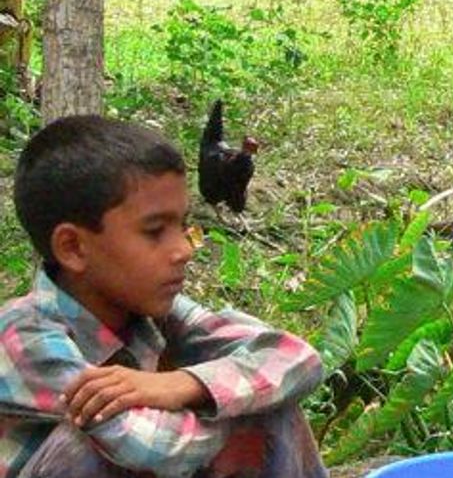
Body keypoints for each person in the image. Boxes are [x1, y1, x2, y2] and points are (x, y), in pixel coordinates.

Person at [0, 115, 328, 478]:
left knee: (274, 403)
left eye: (183, 226)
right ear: (73, 247)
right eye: (156, 231)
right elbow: (144, 446)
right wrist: (242, 419)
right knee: (85, 440)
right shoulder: (23, 337)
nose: (183, 250)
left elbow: (297, 357)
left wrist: (182, 384)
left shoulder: (151, 311)